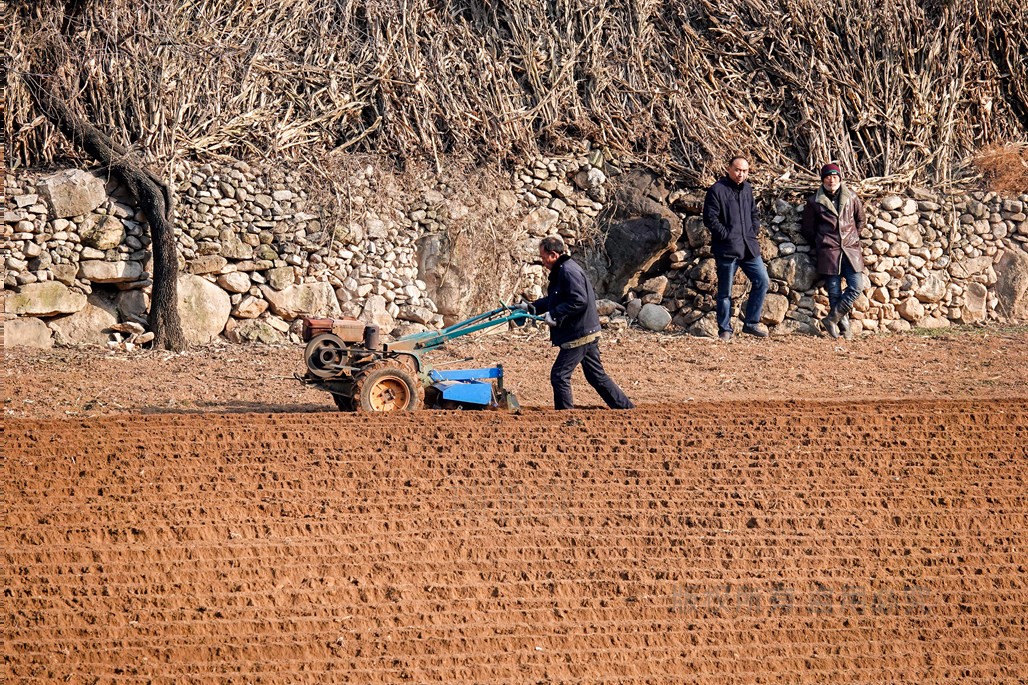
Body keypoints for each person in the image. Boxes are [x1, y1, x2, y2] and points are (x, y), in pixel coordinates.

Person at [516, 236, 634, 410]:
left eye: (543, 257)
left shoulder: (568, 271)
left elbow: (579, 300)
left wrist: (555, 314)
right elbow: (556, 299)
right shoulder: (563, 269)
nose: (543, 262)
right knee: (596, 376)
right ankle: (625, 408)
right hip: (586, 329)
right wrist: (530, 308)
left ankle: (565, 417)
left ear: (554, 255)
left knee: (559, 375)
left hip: (579, 333)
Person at [702, 155, 770, 341]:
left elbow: (754, 213)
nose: (741, 174)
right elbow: (710, 218)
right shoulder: (717, 190)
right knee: (725, 292)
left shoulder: (747, 189)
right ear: (729, 169)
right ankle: (725, 329)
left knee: (762, 281)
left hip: (749, 247)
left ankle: (751, 323)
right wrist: (726, 235)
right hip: (726, 249)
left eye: (745, 171)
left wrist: (753, 230)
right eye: (738, 170)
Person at [801, 163, 867, 339]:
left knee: (856, 287)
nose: (832, 180)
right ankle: (844, 328)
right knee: (834, 292)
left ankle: (831, 319)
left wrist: (851, 238)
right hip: (828, 252)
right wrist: (822, 242)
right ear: (823, 180)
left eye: (835, 176)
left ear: (840, 178)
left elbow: (860, 220)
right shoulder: (814, 202)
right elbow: (808, 229)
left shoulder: (852, 197)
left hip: (850, 251)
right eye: (828, 177)